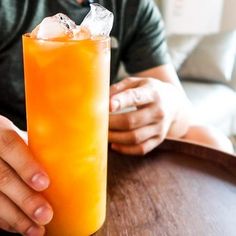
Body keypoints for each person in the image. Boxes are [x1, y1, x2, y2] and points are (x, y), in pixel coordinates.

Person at [0, 0, 233, 235]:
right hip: (17, 180)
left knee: (212, 139)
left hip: (90, 172)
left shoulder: (132, 6)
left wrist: (170, 106)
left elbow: (183, 113)